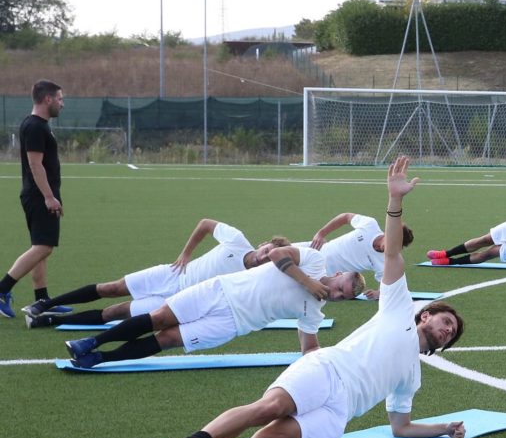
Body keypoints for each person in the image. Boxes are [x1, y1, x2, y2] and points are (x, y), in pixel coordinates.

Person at [153, 156, 465, 438]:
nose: (447, 330)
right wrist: (395, 201)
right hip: (328, 370)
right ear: (426, 315)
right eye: (447, 321)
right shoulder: (397, 307)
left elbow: (401, 427)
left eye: (451, 333)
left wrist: (444, 429)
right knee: (269, 408)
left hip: (338, 414)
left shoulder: (413, 377)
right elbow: (391, 254)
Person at [64, 245, 364, 368]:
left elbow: (309, 348)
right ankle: (91, 341)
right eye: (340, 287)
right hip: (221, 290)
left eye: (343, 297)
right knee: (158, 317)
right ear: (338, 275)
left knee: (167, 338)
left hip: (231, 323)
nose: (337, 294)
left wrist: (332, 360)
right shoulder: (313, 260)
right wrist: (308, 282)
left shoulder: (314, 312)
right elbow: (277, 256)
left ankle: (100, 358)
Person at [23, 219, 286, 328]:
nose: (266, 256)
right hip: (172, 274)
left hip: (176, 301)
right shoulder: (237, 240)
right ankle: (46, 304)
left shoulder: (254, 279)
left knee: (115, 313)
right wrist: (186, 253)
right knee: (111, 288)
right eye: (268, 250)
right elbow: (205, 224)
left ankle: (49, 321)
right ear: (263, 244)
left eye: (271, 259)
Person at [0, 80, 66, 319]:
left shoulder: (39, 125)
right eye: (59, 98)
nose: (62, 103)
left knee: (40, 248)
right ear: (47, 99)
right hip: (39, 197)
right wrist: (49, 197)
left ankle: (42, 300)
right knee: (43, 247)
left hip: (38, 195)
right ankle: (2, 290)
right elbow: (34, 164)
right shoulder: (36, 126)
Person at [299, 212, 413, 299]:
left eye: (396, 246)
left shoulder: (384, 261)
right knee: (281, 249)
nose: (391, 247)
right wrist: (321, 234)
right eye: (392, 241)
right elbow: (346, 217)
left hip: (319, 276)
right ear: (389, 233)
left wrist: (379, 293)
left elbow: (387, 282)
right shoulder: (370, 225)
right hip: (312, 249)